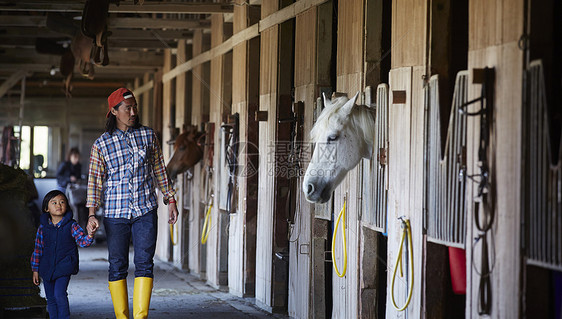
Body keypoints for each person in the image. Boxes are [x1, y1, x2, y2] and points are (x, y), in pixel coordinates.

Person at [85, 87, 178, 319]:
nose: (133, 112)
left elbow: (159, 169)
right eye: (128, 108)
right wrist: (91, 214)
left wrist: (171, 198)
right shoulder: (101, 144)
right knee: (117, 265)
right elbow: (94, 181)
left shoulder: (148, 135)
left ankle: (140, 317)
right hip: (116, 213)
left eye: (135, 107)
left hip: (145, 209)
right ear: (114, 111)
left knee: (145, 263)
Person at [30, 190, 96, 319]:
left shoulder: (72, 225)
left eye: (62, 202)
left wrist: (90, 235)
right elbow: (37, 250)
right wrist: (35, 270)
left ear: (67, 206)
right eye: (53, 202)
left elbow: (83, 242)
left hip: (64, 266)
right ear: (46, 208)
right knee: (50, 298)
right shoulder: (42, 228)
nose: (58, 205)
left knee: (59, 294)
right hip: (47, 267)